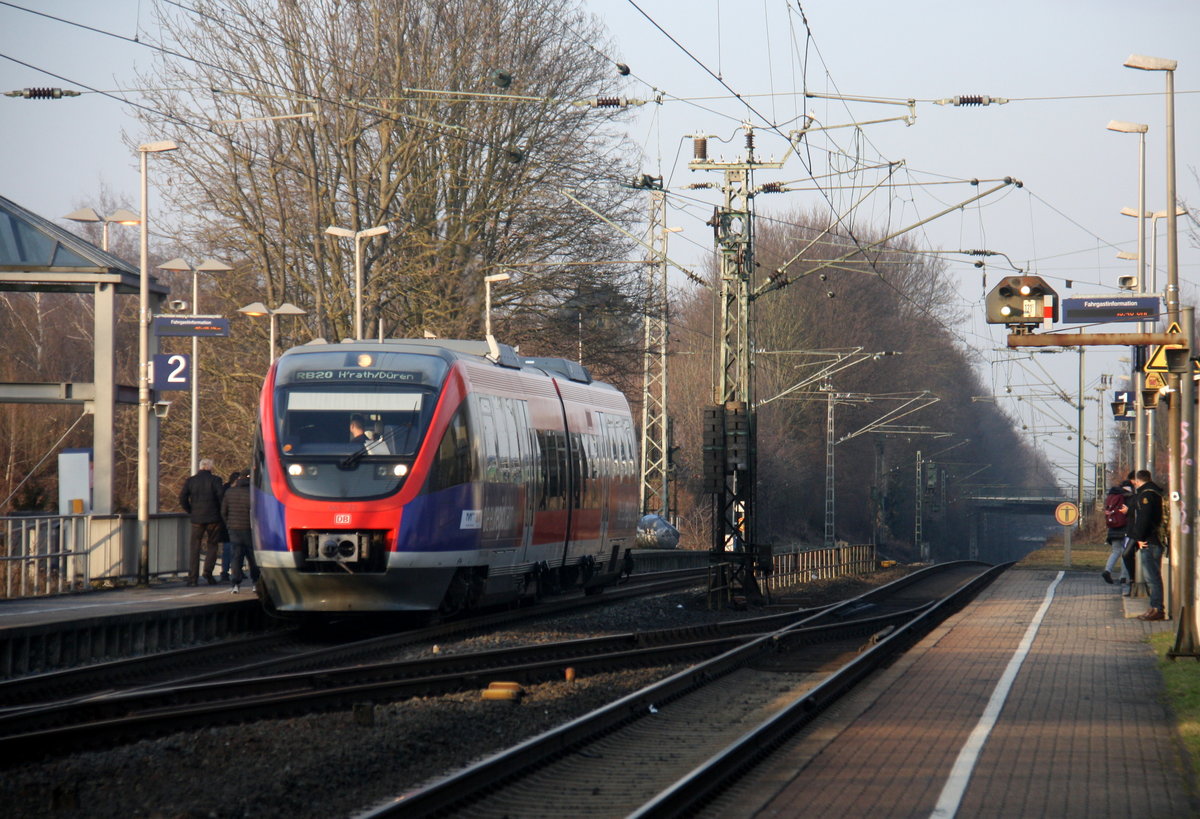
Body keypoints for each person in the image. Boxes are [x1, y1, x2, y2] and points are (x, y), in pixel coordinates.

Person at [179, 457, 225, 586]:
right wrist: (221, 512)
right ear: (210, 467)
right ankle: (208, 573)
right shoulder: (216, 480)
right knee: (212, 545)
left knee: (195, 547)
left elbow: (182, 498)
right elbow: (221, 497)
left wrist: (190, 510)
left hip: (197, 519)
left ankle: (193, 578)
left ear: (200, 467)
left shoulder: (191, 481)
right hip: (214, 519)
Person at [1128, 469, 1166, 621]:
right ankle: (1153, 607)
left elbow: (1144, 519)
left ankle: (1157, 608)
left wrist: (1138, 538)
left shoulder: (1147, 495)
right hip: (1151, 540)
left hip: (1149, 541)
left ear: (1137, 481)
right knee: (1152, 577)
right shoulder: (1154, 493)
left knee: (1152, 577)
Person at [221, 469, 257, 594]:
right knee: (252, 557)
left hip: (234, 529)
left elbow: (223, 512)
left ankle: (235, 583)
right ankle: (255, 582)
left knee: (236, 556)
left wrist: (229, 524)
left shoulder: (229, 492)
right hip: (249, 529)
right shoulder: (253, 493)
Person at [1100, 484, 1129, 585]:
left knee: (1115, 551)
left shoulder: (1110, 498)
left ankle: (1107, 570)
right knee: (1126, 553)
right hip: (1124, 529)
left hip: (1112, 529)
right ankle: (1123, 577)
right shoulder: (1125, 497)